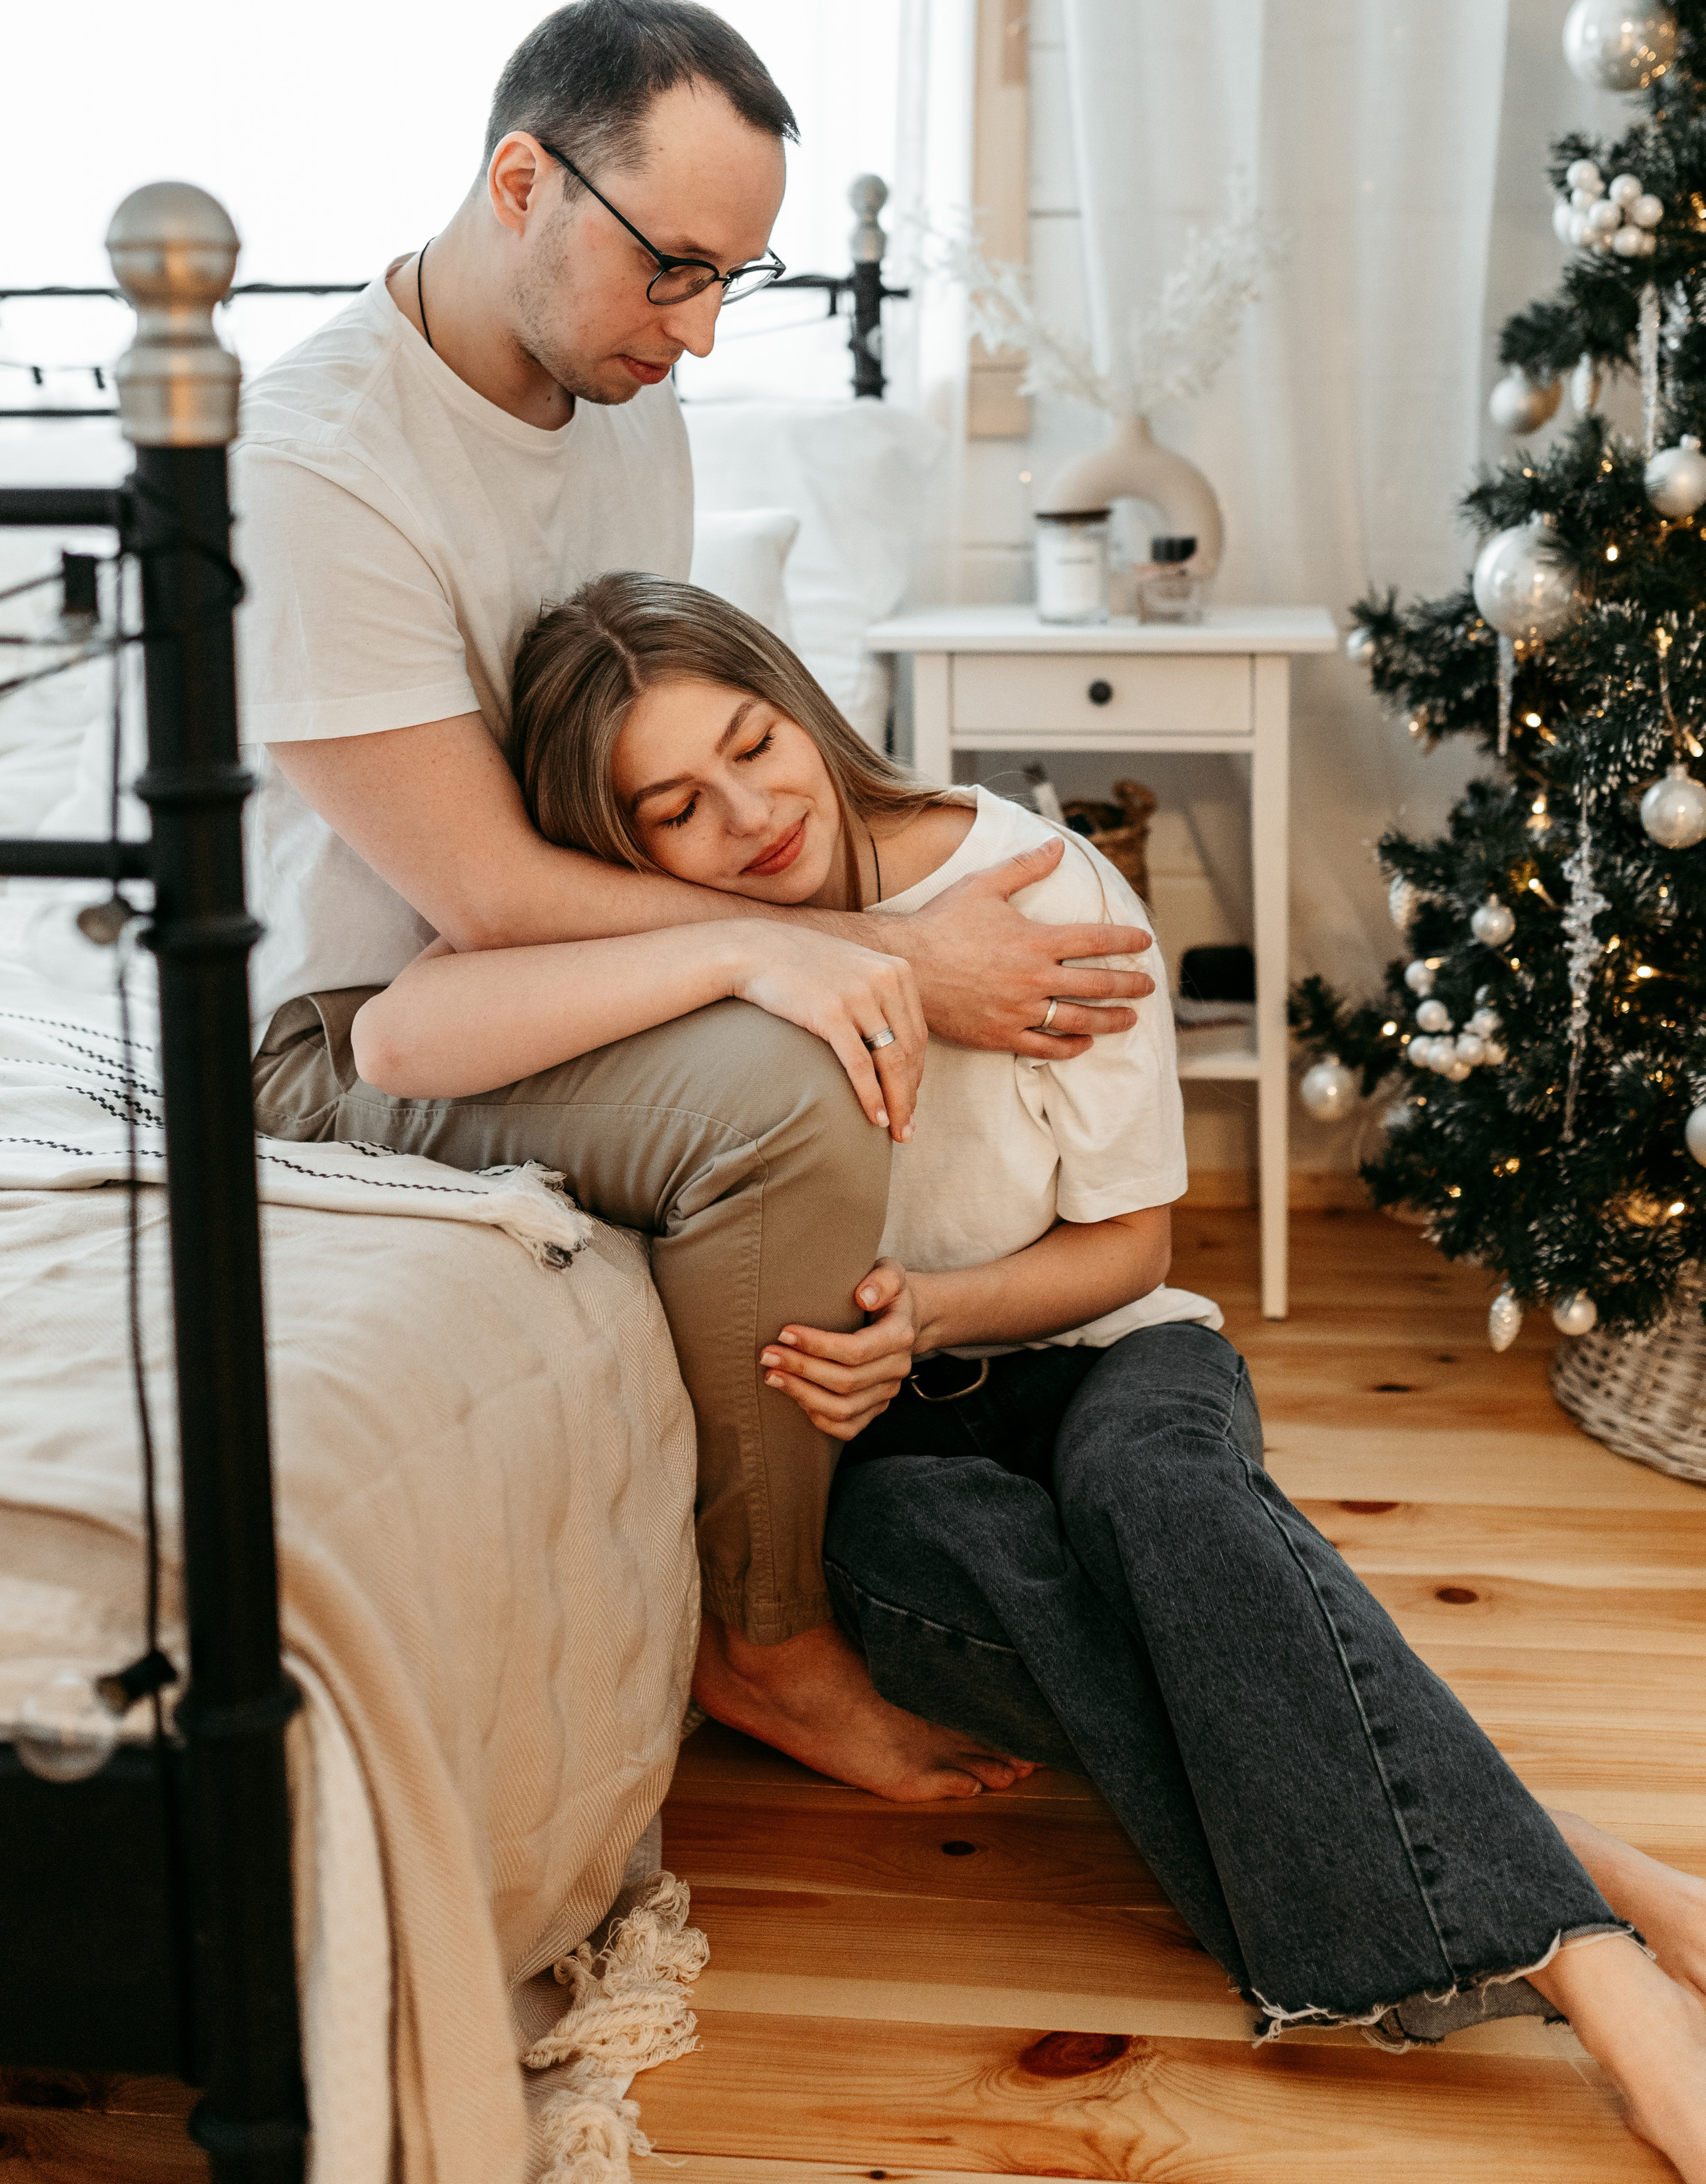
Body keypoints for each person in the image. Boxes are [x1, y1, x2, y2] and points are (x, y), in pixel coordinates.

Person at [351, 572, 1706, 2179]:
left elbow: (1131, 1246)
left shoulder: (1036, 886)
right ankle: (1579, 1866)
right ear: (624, 849)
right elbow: (395, 1037)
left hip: (1095, 1351)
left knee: (1166, 1504)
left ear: (798, 699)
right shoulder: (681, 950)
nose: (747, 814)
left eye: (752, 744)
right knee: (1010, 1582)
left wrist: (928, 1308)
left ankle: (1590, 1967)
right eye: (675, 809)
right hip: (886, 1455)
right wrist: (738, 951)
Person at [237, 0, 1157, 1801]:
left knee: (825, 1004)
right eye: (674, 270)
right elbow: (488, 894)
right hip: (356, 1029)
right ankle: (772, 1639)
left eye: (740, 279)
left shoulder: (618, 404)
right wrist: (855, 949)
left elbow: (669, 746)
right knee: (788, 1087)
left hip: (543, 970)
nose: (703, 330)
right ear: (523, 181)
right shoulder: (317, 470)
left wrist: (852, 909)